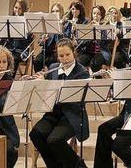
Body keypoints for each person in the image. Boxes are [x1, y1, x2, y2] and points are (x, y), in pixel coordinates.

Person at [29, 38, 90, 168]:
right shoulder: (53, 68)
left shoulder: (82, 72)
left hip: (72, 116)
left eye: (68, 55)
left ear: (74, 53)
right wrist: (38, 83)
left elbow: (71, 97)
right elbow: (47, 96)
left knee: (54, 140)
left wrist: (46, 84)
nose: (65, 58)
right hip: (53, 114)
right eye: (61, 56)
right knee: (36, 134)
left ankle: (79, 165)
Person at [94, 45, 131, 168]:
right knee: (103, 129)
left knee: (118, 145)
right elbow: (120, 93)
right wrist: (111, 80)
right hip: (128, 114)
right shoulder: (130, 73)